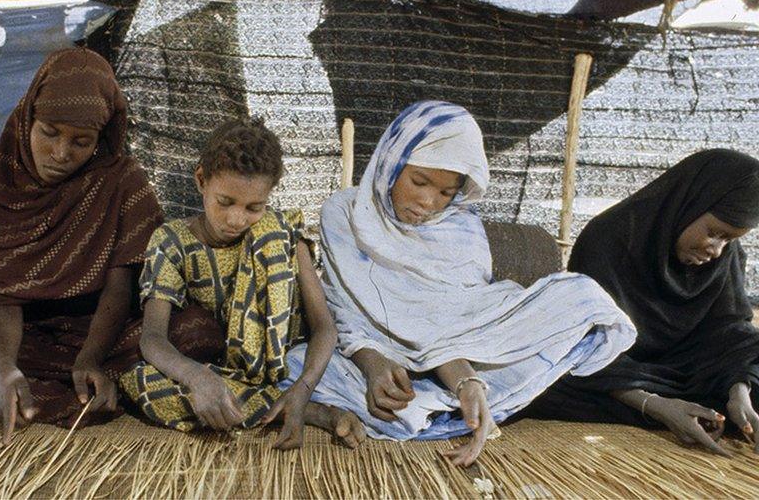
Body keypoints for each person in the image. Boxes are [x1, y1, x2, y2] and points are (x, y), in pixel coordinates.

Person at [284, 100, 637, 465]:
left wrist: (468, 384)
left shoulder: (461, 230)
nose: (427, 201)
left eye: (445, 193)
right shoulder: (346, 212)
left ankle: (459, 404)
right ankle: (408, 408)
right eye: (418, 181)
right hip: (369, 358)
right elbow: (342, 310)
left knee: (581, 296)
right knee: (294, 366)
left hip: (453, 360)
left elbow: (453, 323)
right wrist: (373, 364)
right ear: (392, 162)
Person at [0, 48, 223, 443]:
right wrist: (4, 367)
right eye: (49, 132)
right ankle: (47, 386)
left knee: (197, 329)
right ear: (26, 120)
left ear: (100, 140)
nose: (61, 153)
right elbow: (0, 297)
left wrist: (90, 358)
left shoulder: (123, 184)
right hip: (18, 338)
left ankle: (61, 385)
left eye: (81, 142)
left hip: (104, 332)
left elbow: (122, 288)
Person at [120, 117, 362, 450]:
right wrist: (199, 378)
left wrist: (303, 388)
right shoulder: (171, 242)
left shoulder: (283, 236)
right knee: (139, 382)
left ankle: (288, 401)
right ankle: (303, 411)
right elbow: (152, 339)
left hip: (286, 365)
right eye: (225, 202)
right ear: (201, 180)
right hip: (218, 370)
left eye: (254, 207)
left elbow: (325, 329)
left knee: (272, 234)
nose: (237, 219)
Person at [524, 148, 759, 456]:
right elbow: (587, 342)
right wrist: (657, 406)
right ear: (690, 202)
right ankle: (674, 410)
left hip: (689, 368)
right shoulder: (608, 238)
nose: (716, 250)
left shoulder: (724, 257)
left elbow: (728, 330)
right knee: (541, 383)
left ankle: (723, 408)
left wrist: (739, 391)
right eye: (714, 233)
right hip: (615, 371)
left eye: (728, 239)